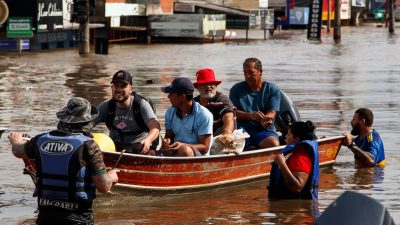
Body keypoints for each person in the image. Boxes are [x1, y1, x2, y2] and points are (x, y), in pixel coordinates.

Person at [8, 97, 119, 225]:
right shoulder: (89, 145)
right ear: (87, 122)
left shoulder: (40, 140)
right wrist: (112, 176)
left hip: (46, 217)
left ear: (63, 118)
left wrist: (15, 140)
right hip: (78, 218)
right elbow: (104, 186)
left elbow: (17, 151)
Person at [92, 70, 161, 155]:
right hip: (114, 148)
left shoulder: (141, 105)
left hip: (138, 148)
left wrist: (148, 140)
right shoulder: (106, 106)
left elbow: (155, 126)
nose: (119, 89)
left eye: (123, 86)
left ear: (131, 89)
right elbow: (87, 124)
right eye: (116, 86)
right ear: (112, 88)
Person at [229, 57, 281, 149]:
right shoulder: (236, 89)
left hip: (264, 130)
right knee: (229, 145)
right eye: (245, 72)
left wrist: (266, 119)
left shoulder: (272, 89)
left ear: (260, 71)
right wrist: (250, 115)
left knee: (273, 143)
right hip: (242, 131)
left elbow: (272, 112)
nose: (247, 76)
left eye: (251, 72)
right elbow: (232, 113)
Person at [160, 77, 213, 157]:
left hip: (196, 155)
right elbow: (169, 135)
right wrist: (166, 142)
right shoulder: (170, 112)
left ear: (182, 97)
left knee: (185, 150)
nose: (168, 97)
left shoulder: (204, 114)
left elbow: (205, 147)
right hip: (175, 151)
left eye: (172, 94)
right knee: (150, 153)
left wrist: (182, 145)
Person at [268, 120, 319, 200]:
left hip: (294, 207)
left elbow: (297, 187)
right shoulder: (296, 153)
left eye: (288, 134)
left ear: (297, 138)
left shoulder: (301, 157)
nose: (285, 136)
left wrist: (282, 164)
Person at [193, 68, 235, 135]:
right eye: (204, 84)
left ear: (216, 86)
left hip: (220, 137)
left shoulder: (222, 100)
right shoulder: (194, 103)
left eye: (211, 83)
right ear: (197, 87)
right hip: (201, 138)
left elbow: (228, 117)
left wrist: (226, 135)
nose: (208, 87)